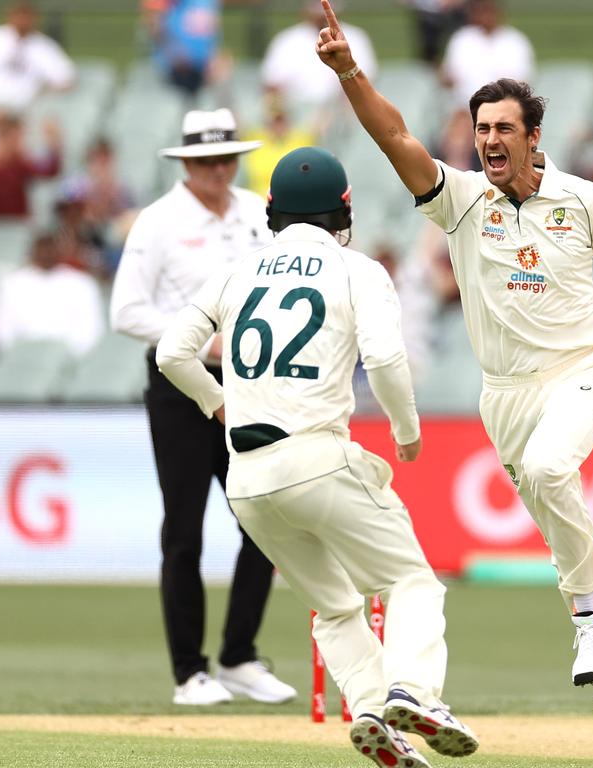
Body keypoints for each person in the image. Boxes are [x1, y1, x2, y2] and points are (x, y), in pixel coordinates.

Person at [315, 2, 593, 763]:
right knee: (562, 526)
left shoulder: (583, 200)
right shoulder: (462, 202)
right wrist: (351, 72)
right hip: (503, 394)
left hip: (583, 368)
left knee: (550, 472)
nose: (490, 142)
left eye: (504, 129)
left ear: (532, 135)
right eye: (481, 131)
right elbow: (392, 136)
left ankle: (586, 627)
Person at [156, 145, 478, 768]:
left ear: (272, 211)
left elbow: (172, 352)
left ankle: (368, 710)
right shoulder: (358, 270)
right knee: (409, 579)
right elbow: (385, 359)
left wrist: (217, 402)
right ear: (344, 210)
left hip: (246, 479)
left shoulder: (238, 270)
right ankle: (413, 691)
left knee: (333, 605)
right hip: (316, 458)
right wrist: (406, 432)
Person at [109, 108, 296, 707]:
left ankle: (239, 656)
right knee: (185, 530)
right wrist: (199, 341)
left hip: (248, 382)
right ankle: (190, 671)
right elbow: (127, 312)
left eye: (225, 158)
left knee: (264, 522)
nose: (218, 170)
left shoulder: (254, 213)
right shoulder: (158, 222)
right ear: (185, 162)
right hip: (179, 383)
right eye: (206, 160)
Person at [0, 233, 104, 355]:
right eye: (42, 249)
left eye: (50, 249)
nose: (46, 254)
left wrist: (69, 354)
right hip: (21, 355)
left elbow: (90, 328)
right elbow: (2, 328)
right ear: (33, 252)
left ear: (59, 251)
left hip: (68, 355)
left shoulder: (83, 283)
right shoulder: (11, 283)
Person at [0, 1, 76, 112]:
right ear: (9, 16)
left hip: (29, 111)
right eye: (19, 15)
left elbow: (65, 79)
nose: (23, 20)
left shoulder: (44, 46)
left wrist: (45, 92)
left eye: (27, 15)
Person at [261, 1, 377, 107]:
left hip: (342, 116)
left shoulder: (357, 38)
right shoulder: (286, 40)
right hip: (296, 120)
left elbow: (364, 85)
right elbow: (272, 87)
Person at [440, 0, 533, 107]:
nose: (486, 16)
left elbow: (523, 80)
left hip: (504, 104)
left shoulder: (515, 40)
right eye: (481, 11)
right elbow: (447, 75)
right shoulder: (462, 38)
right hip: (464, 105)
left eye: (489, 11)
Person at [142, 0, 225, 96]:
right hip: (174, 66)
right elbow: (155, 26)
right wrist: (174, 53)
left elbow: (212, 30)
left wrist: (214, 58)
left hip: (204, 66)